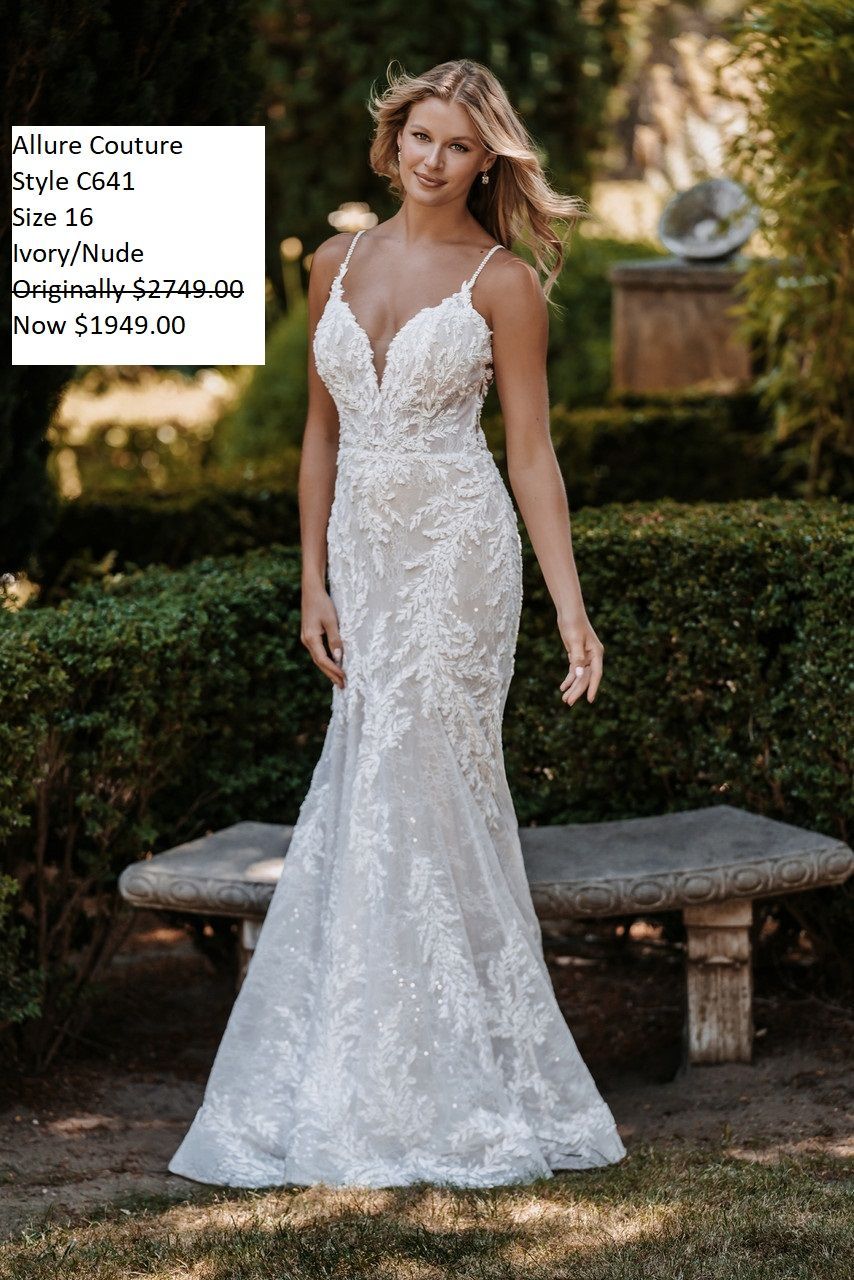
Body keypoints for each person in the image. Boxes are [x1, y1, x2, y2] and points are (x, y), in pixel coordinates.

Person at [168, 57, 626, 1190]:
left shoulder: (500, 282)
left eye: (458, 146)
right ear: (393, 139)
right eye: (420, 135)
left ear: (487, 162)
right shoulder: (335, 260)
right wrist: (312, 579)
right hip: (365, 562)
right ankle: (366, 1063)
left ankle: (461, 1080)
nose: (432, 159)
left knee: (425, 783)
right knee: (370, 781)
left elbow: (529, 455)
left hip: (457, 560)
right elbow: (319, 438)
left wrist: (573, 611)